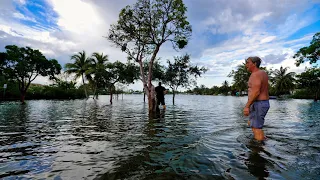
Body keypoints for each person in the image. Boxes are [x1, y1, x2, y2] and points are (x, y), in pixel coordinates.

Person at [243, 56, 270, 141]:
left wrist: (247, 106)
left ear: (254, 64)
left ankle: (258, 150)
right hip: (262, 103)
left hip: (258, 103)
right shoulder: (263, 73)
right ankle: (263, 142)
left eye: (248, 62)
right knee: (255, 126)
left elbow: (256, 92)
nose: (246, 65)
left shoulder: (255, 75)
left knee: (256, 128)